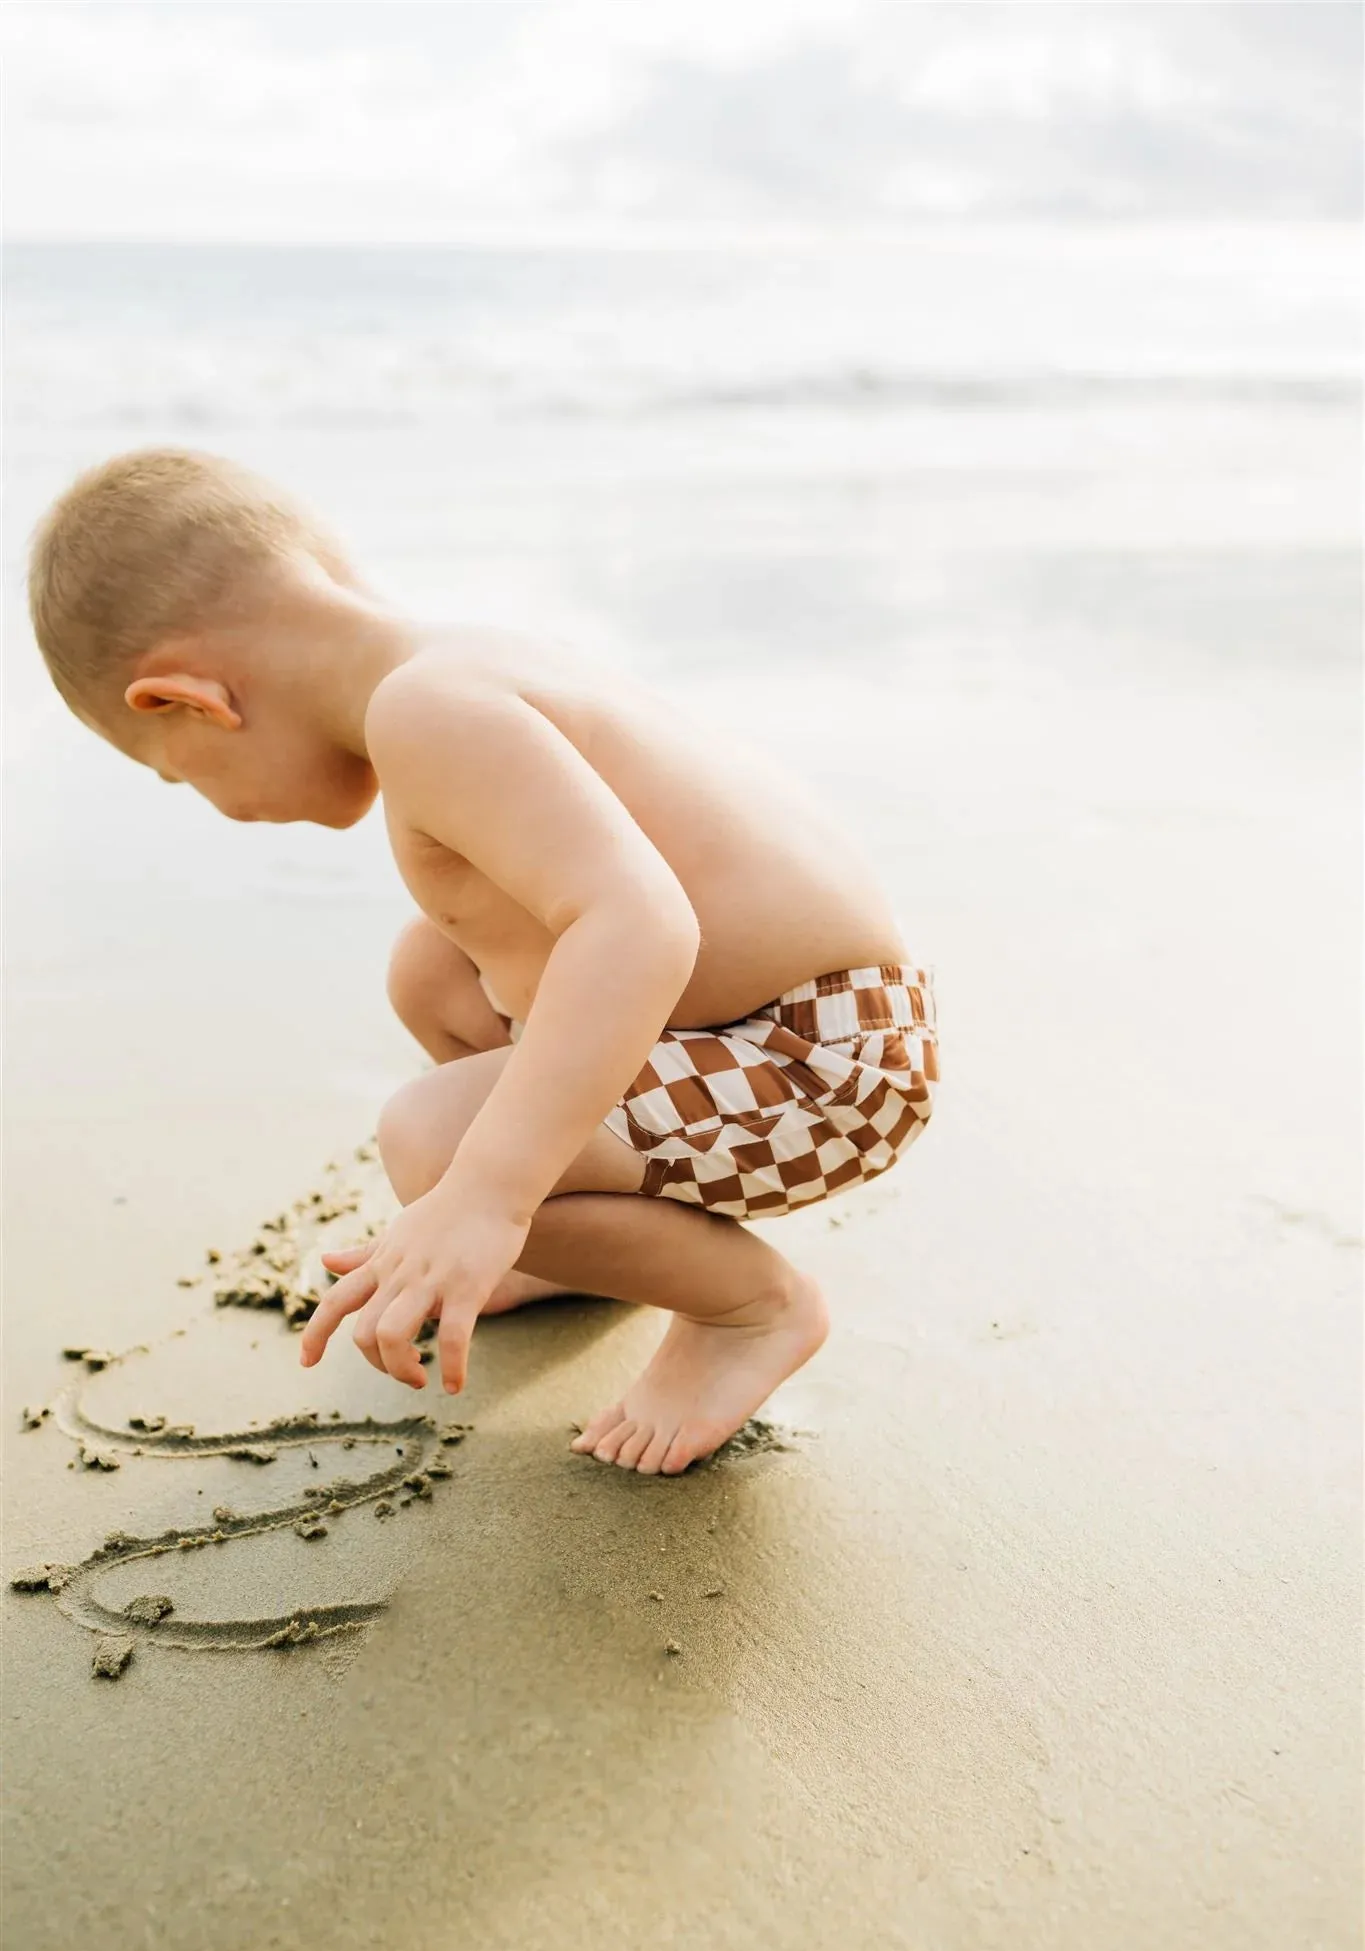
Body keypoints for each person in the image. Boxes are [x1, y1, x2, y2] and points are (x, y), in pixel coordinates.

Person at [28, 448, 939, 1475]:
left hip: (820, 1069)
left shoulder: (430, 712)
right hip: (799, 1032)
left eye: (179, 776)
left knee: (432, 1139)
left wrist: (487, 1194)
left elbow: (641, 924)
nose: (217, 803)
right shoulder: (457, 662)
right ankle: (584, 1252)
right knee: (435, 968)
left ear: (186, 700)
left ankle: (749, 1308)